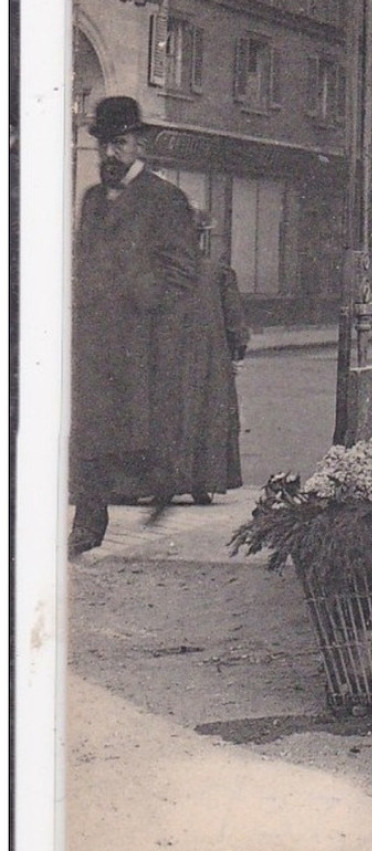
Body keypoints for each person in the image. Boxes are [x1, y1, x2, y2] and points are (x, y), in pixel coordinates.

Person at [69, 96, 199, 556]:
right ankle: (88, 522)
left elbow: (184, 273)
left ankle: (163, 483)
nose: (110, 155)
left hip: (144, 338)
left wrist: (150, 306)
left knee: (142, 429)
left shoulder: (166, 199)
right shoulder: (90, 201)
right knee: (89, 429)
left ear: (138, 144)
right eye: (105, 145)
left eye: (120, 144)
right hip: (95, 337)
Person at [175, 212, 246, 504]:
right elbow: (235, 321)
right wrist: (237, 351)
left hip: (168, 359)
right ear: (201, 237)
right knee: (207, 415)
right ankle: (203, 482)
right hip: (209, 359)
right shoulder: (217, 273)